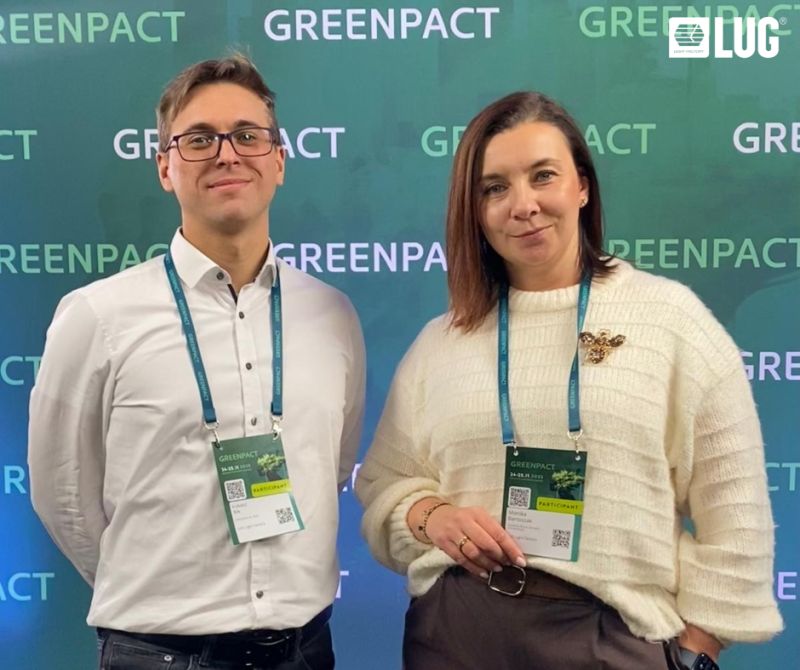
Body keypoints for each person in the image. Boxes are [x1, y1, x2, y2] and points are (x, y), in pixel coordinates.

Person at [355, 91, 782, 670]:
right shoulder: (442, 341)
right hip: (456, 634)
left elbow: (736, 505)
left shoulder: (669, 319)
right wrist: (433, 517)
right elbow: (385, 483)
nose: (523, 205)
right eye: (495, 188)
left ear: (582, 186)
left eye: (543, 176)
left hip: (612, 638)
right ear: (474, 211)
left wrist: (699, 648)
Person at [28, 54, 365, 670]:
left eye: (247, 136)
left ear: (279, 160)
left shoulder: (332, 315)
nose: (227, 155)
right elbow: (62, 492)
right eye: (199, 139)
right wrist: (153, 585)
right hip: (157, 654)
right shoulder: (97, 317)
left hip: (305, 650)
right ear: (165, 167)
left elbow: (333, 464)